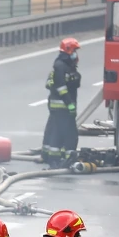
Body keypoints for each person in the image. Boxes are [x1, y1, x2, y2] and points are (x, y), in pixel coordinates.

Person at [41, 37, 83, 165]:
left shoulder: (66, 66)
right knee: (59, 133)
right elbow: (61, 87)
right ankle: (54, 159)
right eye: (75, 50)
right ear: (68, 50)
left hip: (63, 106)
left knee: (68, 132)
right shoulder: (60, 66)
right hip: (62, 106)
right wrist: (69, 104)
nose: (76, 53)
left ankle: (65, 156)